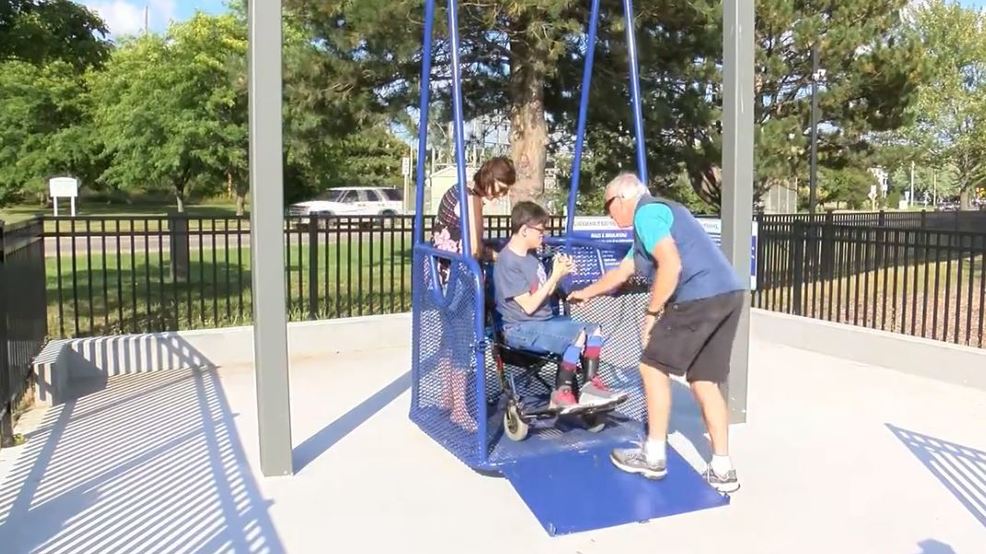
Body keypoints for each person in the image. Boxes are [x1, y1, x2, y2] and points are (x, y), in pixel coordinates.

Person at [567, 173, 744, 493]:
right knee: (704, 380)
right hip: (728, 294)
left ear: (622, 198)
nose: (609, 215)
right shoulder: (658, 217)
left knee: (651, 366)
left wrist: (652, 313)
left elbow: (671, 265)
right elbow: (623, 272)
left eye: (608, 207)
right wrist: (586, 292)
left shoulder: (646, 213)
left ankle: (653, 455)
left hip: (698, 296)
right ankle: (722, 467)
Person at [493, 201, 627, 411]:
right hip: (520, 329)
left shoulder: (531, 257)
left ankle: (590, 387)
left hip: (543, 322)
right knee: (578, 335)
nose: (543, 235)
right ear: (524, 229)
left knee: (594, 330)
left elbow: (544, 291)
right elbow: (528, 306)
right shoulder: (508, 261)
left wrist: (562, 275)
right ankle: (562, 393)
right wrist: (554, 275)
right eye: (540, 230)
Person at [430, 156, 516, 431]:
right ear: (489, 178)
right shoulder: (471, 198)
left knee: (450, 338)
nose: (501, 195)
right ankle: (460, 408)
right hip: (458, 279)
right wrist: (498, 256)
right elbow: (473, 248)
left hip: (441, 276)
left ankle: (447, 397)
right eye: (501, 188)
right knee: (463, 342)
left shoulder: (460, 190)